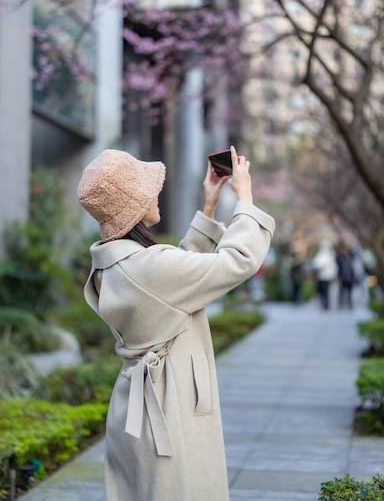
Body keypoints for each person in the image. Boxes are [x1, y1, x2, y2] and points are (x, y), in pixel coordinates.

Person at [77, 146, 275, 501]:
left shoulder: (114, 265)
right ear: (134, 206)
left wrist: (209, 206)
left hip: (136, 408)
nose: (158, 195)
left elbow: (173, 282)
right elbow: (239, 260)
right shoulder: (149, 267)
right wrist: (244, 199)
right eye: (149, 190)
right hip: (168, 409)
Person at [311, 239, 338, 310]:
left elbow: (333, 266)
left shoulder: (331, 255)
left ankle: (327, 304)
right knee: (323, 291)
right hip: (322, 276)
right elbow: (316, 264)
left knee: (328, 292)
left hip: (328, 277)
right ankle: (324, 303)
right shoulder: (321, 255)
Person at [335, 242, 355, 309]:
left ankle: (350, 304)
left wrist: (353, 276)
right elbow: (337, 268)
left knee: (349, 292)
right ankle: (341, 304)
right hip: (342, 278)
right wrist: (339, 276)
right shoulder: (338, 258)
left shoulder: (348, 258)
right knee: (341, 292)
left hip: (349, 277)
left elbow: (351, 268)